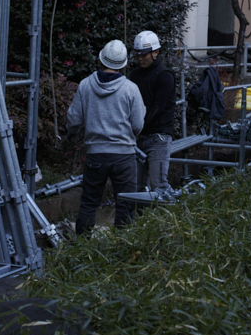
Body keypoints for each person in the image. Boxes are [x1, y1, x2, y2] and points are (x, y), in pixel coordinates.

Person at [67, 38, 145, 235]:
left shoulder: (85, 85)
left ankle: (82, 249)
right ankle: (122, 249)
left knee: (89, 203)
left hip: (96, 155)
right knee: (126, 203)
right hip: (124, 156)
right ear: (124, 64)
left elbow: (74, 119)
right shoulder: (130, 89)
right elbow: (137, 124)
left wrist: (71, 135)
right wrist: (129, 137)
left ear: (100, 60)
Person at [128, 29, 177, 196]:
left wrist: (136, 128)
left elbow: (157, 107)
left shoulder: (164, 75)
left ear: (155, 52)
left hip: (159, 137)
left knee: (158, 184)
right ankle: (138, 220)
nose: (140, 58)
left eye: (145, 54)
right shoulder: (133, 75)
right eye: (137, 54)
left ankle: (166, 219)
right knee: (136, 185)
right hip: (138, 136)